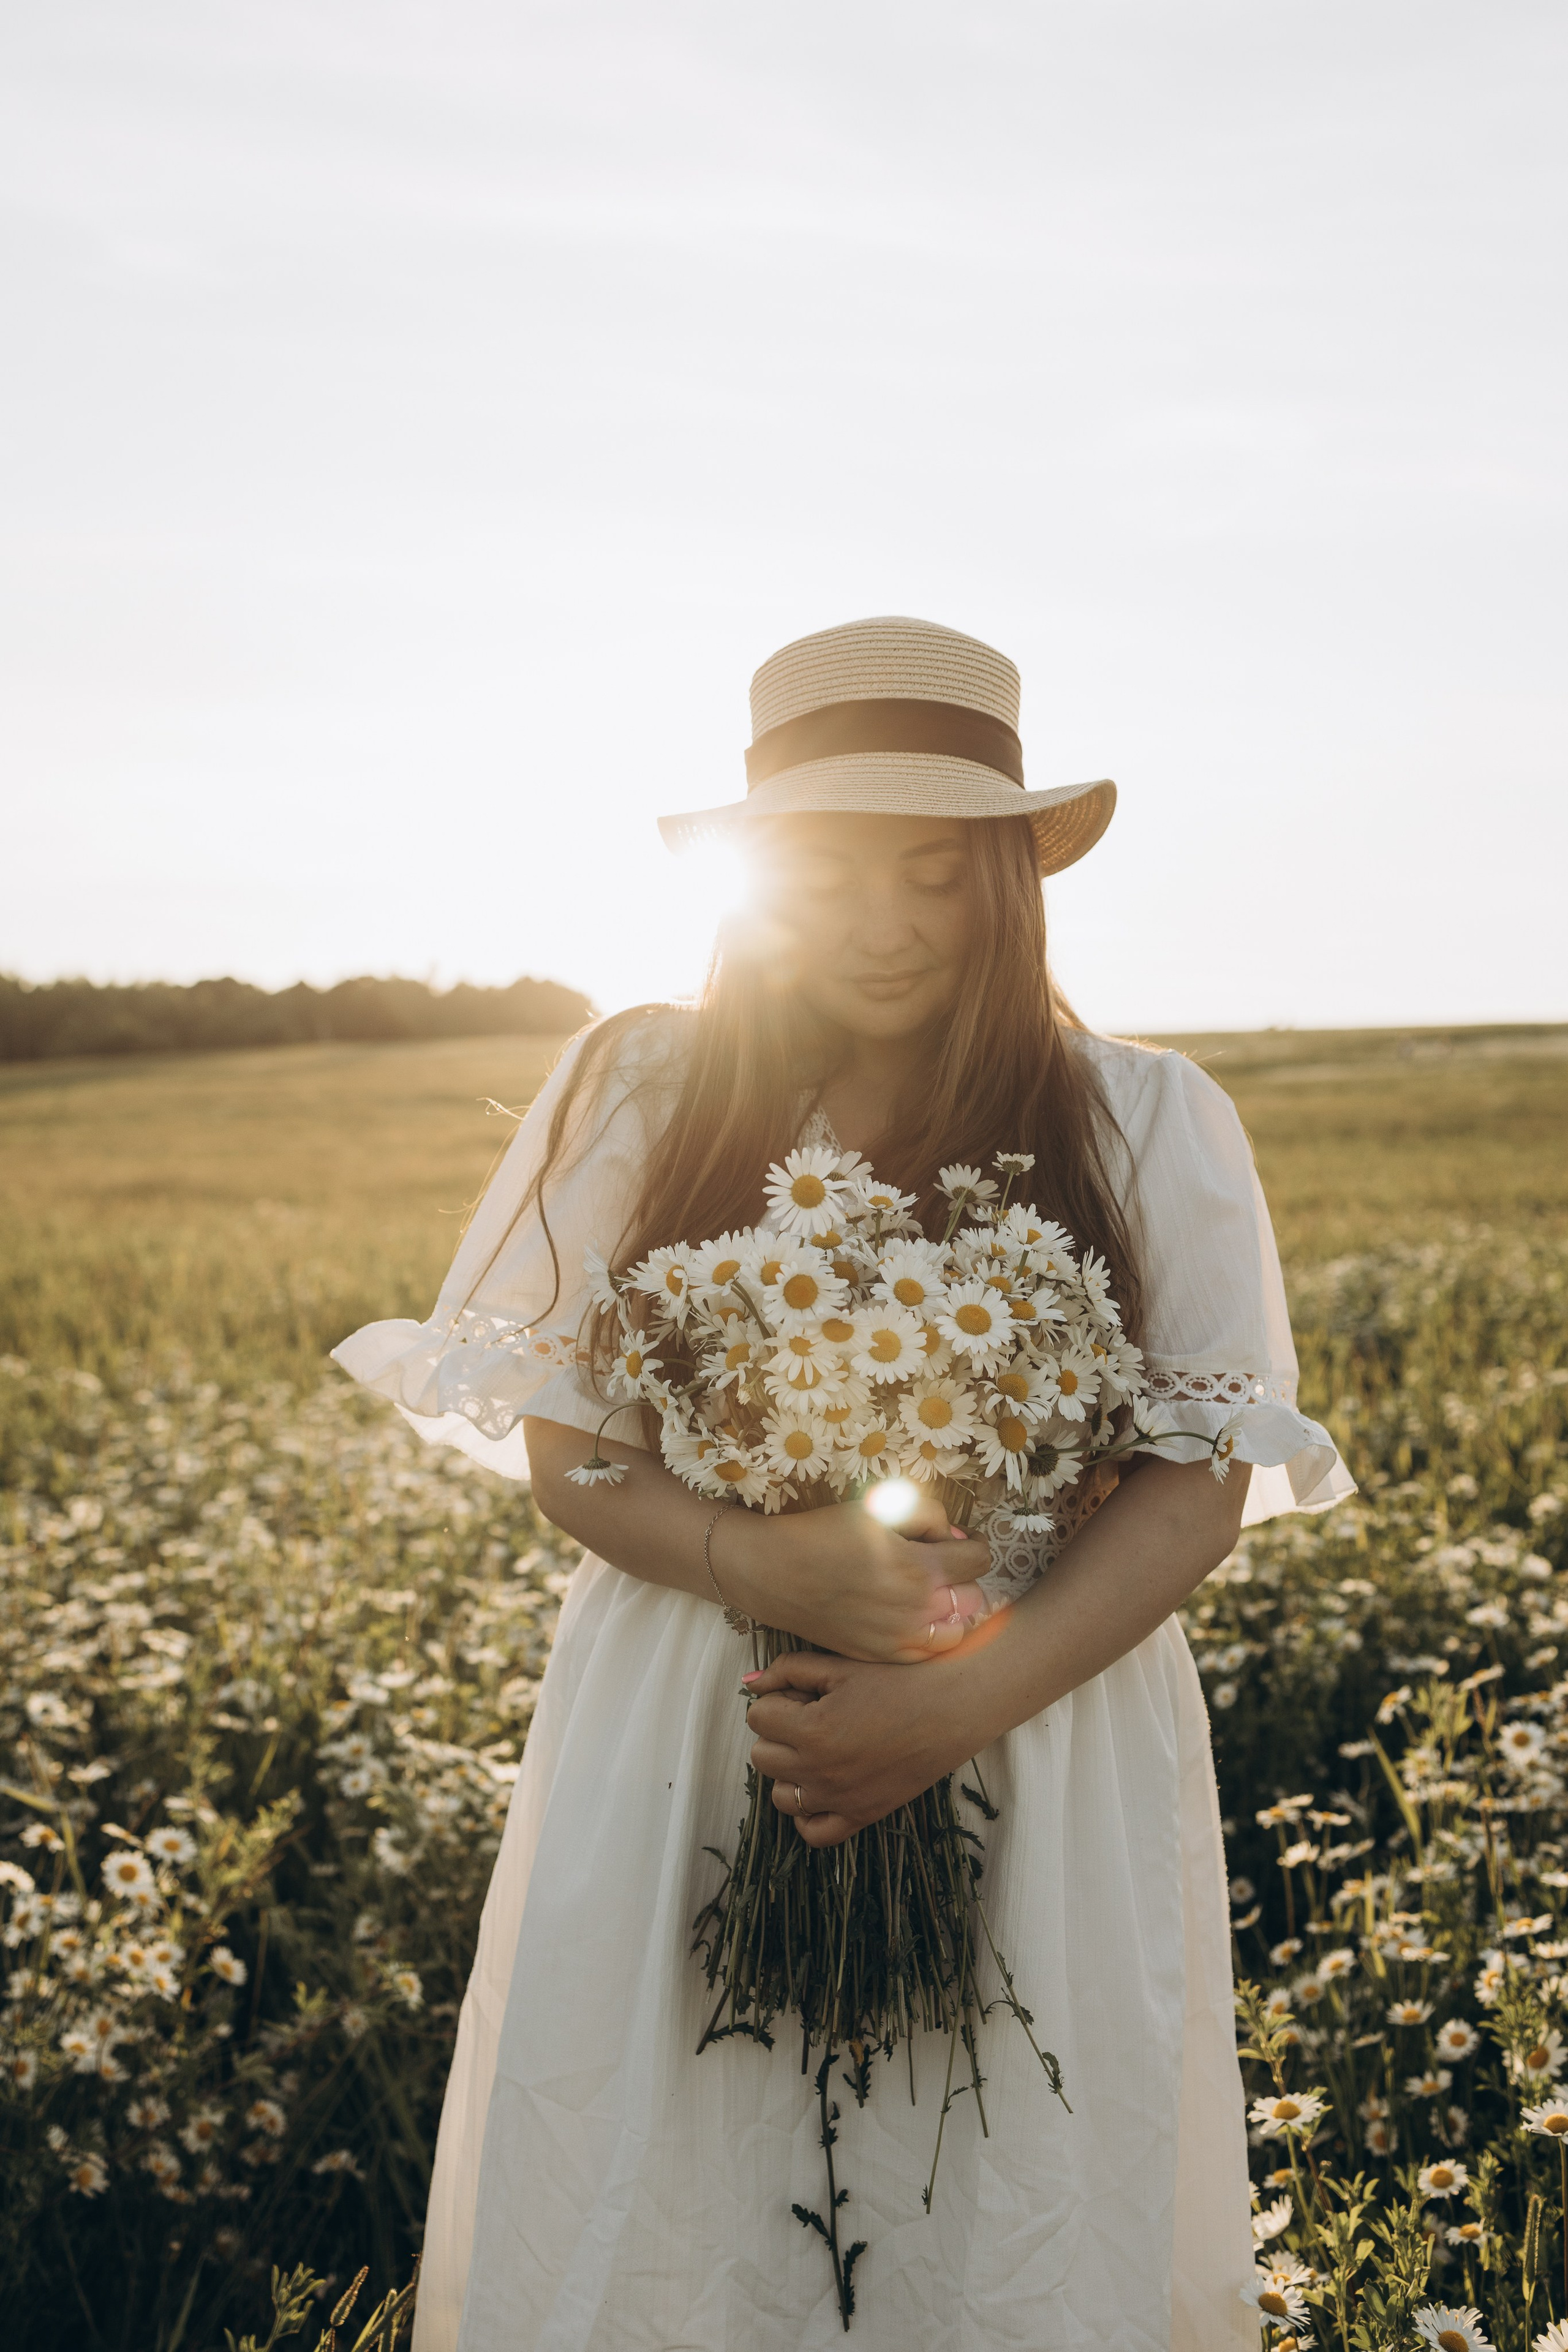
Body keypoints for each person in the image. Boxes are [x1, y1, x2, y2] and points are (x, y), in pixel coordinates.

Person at [334, 615, 1353, 2351]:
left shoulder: (1145, 1117)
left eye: (938, 872)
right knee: (674, 2183)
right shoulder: (645, 1084)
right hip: (698, 1737)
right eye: (828, 869)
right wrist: (767, 1561)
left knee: (1005, 2195)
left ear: (1012, 879)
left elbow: (1191, 1491)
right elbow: (571, 1454)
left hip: (1036, 1726)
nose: (884, 923)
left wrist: (953, 1707)